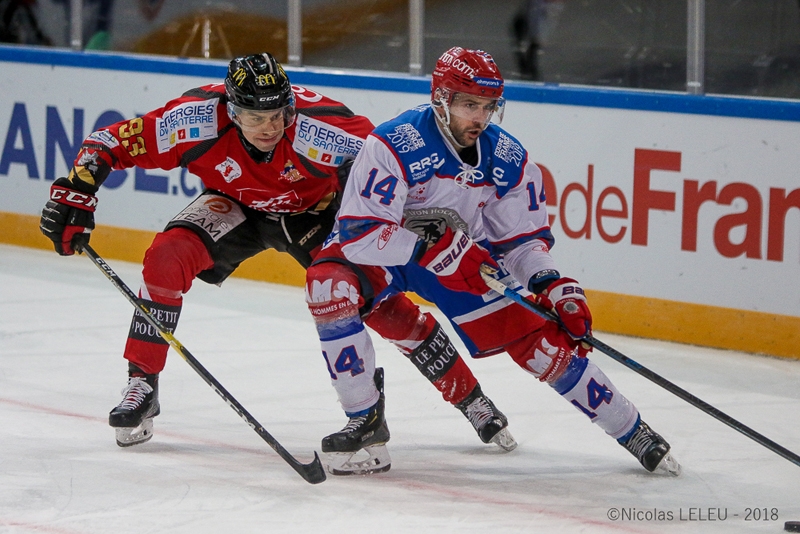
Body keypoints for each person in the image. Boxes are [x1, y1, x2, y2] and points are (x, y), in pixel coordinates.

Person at [39, 52, 514, 453]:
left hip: (317, 214)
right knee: (165, 257)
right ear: (230, 111)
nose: (270, 127)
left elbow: (386, 163)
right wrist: (75, 192)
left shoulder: (322, 127)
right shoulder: (192, 119)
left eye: (277, 115)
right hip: (236, 206)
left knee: (381, 304)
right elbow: (109, 142)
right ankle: (142, 382)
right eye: (255, 117)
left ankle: (470, 398)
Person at [305, 46, 681, 476]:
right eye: (468, 104)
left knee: (541, 345)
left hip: (464, 259)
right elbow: (361, 235)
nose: (479, 118)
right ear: (440, 98)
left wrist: (551, 284)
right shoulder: (392, 143)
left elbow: (520, 241)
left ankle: (632, 429)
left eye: (488, 107)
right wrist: (427, 248)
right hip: (387, 253)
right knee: (328, 286)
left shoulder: (506, 157)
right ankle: (364, 419)